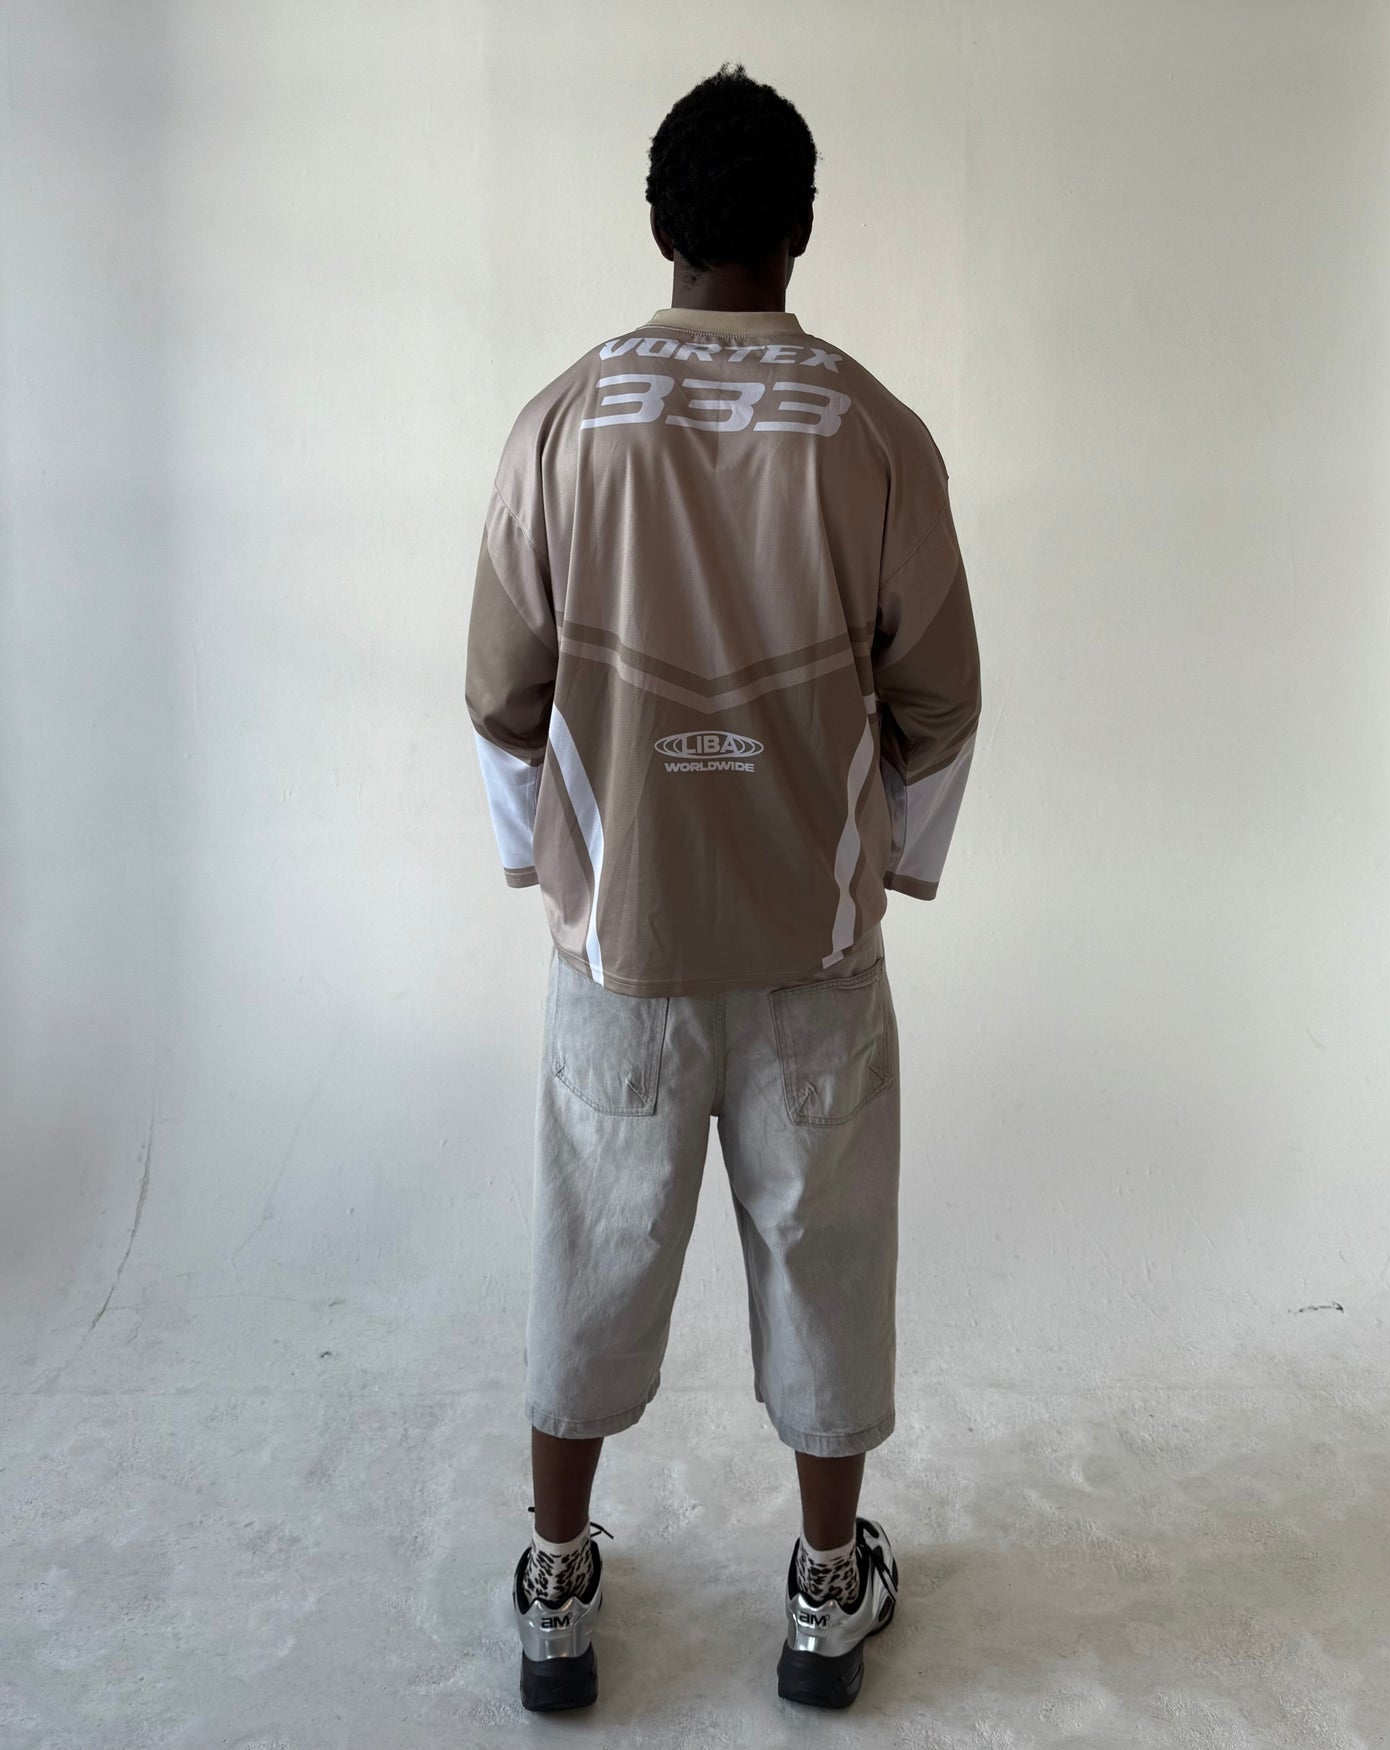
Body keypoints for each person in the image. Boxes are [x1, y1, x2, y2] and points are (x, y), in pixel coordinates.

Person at [465, 60, 980, 1713]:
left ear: (660, 226)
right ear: (800, 229)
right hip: (813, 954)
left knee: (591, 1250)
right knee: (826, 1253)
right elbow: (943, 701)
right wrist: (884, 862)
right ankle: (828, 1589)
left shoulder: (563, 421)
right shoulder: (875, 432)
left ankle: (557, 1580)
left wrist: (554, 864)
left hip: (621, 948)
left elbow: (499, 694)